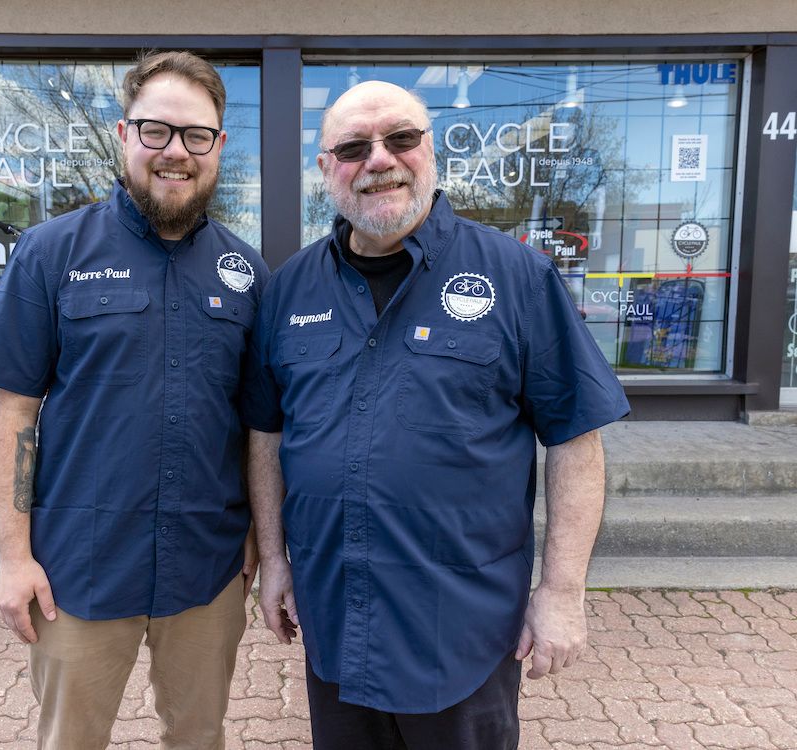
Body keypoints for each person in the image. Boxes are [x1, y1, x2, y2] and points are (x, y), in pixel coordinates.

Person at [242, 80, 630, 749]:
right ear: (325, 169)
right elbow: (268, 434)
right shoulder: (290, 289)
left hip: (461, 633)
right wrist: (273, 558)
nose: (379, 160)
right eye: (353, 147)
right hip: (335, 622)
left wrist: (562, 591)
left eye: (400, 138)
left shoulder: (516, 278)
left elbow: (575, 438)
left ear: (431, 149)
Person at [0, 50, 269, 750]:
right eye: (156, 130)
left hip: (207, 568)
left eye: (197, 136)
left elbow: (257, 427)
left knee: (199, 737)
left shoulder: (246, 272)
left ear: (218, 147)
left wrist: (260, 539)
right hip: (78, 567)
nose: (175, 152)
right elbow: (12, 414)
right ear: (125, 134)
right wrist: (13, 557)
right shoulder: (50, 253)